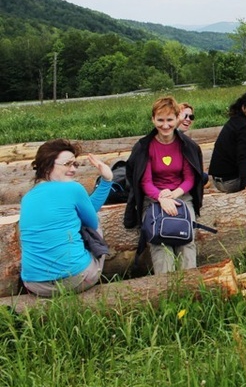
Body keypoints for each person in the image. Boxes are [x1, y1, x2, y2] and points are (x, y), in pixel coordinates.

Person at [19, 140, 113, 296]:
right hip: (76, 279)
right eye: (67, 164)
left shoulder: (27, 197)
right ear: (48, 164)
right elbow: (91, 222)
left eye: (75, 164)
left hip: (35, 285)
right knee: (95, 221)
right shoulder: (73, 188)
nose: (73, 169)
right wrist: (107, 180)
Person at [124, 96, 204, 274]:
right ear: (153, 119)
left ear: (177, 119)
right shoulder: (145, 146)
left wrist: (172, 196)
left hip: (181, 196)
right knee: (159, 241)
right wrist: (161, 198)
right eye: (160, 120)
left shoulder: (186, 145)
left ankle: (189, 285)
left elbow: (190, 179)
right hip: (152, 198)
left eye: (169, 120)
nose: (165, 125)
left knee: (187, 238)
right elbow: (145, 181)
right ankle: (165, 286)